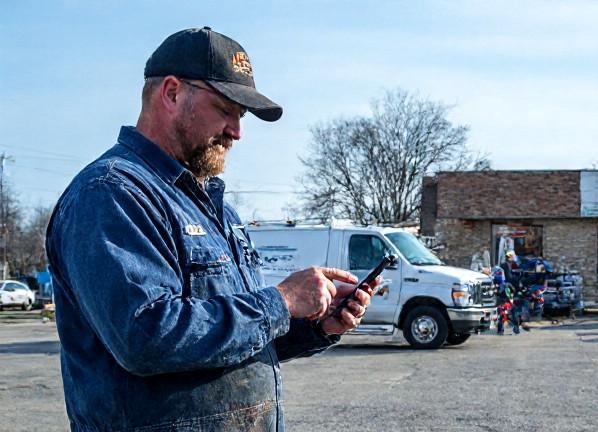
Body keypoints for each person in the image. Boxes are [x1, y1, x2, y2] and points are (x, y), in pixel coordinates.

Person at [45, 27, 374, 432]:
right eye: (226, 110)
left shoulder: (218, 209)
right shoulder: (110, 194)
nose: (237, 132)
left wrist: (315, 325)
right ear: (171, 93)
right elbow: (146, 336)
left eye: (241, 116)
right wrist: (282, 301)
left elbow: (229, 342)